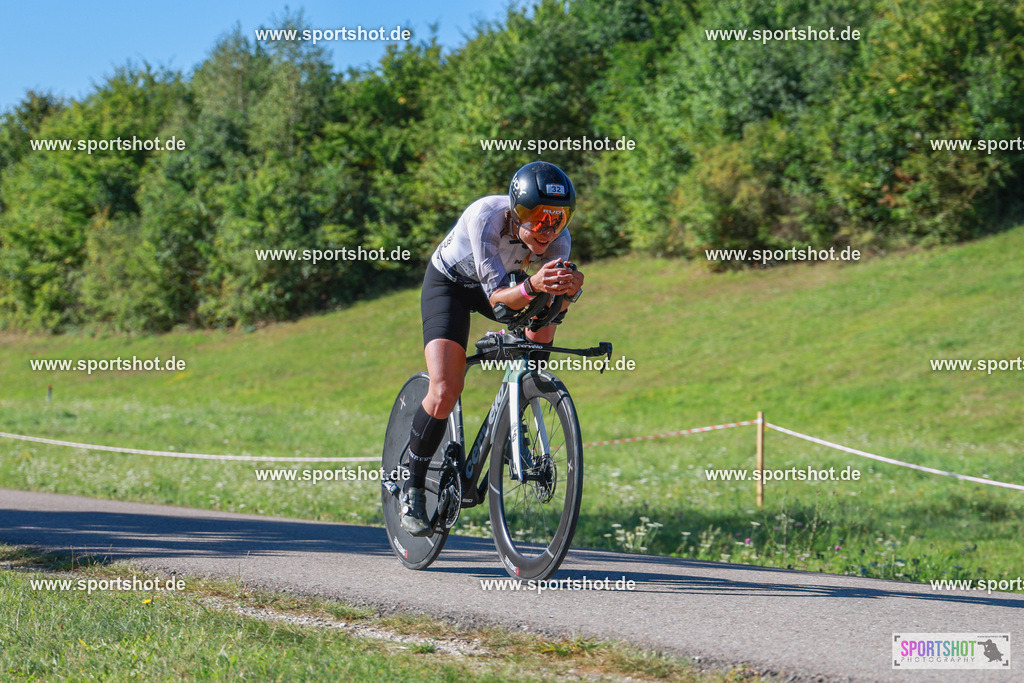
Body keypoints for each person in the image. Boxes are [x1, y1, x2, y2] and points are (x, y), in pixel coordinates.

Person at [400, 161, 585, 536]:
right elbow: (500, 302)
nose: (548, 229)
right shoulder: (486, 217)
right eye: (537, 217)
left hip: (510, 286)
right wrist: (535, 287)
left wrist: (568, 294)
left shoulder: (558, 241)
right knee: (446, 389)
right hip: (452, 285)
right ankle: (412, 486)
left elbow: (550, 312)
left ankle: (520, 406)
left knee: (537, 346)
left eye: (558, 218)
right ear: (517, 212)